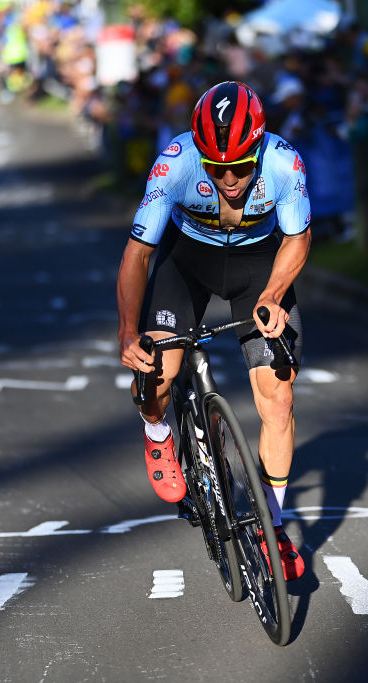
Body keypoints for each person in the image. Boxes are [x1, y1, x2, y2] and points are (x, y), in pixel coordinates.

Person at [116, 81, 311, 581]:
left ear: (259, 149)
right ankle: (158, 429)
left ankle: (273, 525)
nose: (229, 179)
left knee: (279, 397)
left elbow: (298, 236)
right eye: (217, 167)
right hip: (189, 261)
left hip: (258, 265)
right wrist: (127, 332)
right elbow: (138, 253)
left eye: (241, 168)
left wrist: (272, 296)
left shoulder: (285, 164)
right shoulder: (175, 162)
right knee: (158, 371)